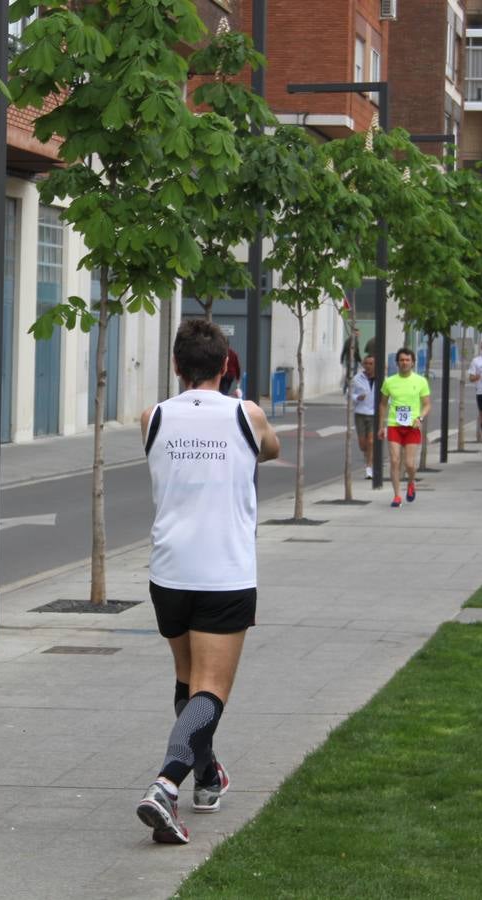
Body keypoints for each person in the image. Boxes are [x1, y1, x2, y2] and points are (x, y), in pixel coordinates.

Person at [136, 319, 280, 845]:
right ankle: (166, 785)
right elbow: (272, 449)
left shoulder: (153, 416)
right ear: (225, 365)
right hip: (224, 572)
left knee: (188, 679)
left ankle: (207, 776)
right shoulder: (248, 414)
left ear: (176, 366)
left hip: (169, 572)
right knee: (212, 687)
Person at [378, 347, 431, 508]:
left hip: (412, 426)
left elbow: (427, 404)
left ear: (413, 363)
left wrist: (420, 418)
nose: (404, 363)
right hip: (395, 424)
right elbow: (382, 404)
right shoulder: (389, 381)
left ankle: (411, 482)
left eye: (407, 360)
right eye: (401, 360)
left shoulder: (420, 381)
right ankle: (396, 496)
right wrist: (381, 426)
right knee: (394, 460)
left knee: (409, 464)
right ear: (397, 363)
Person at [350, 355, 378, 479]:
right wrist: (357, 398)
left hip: (374, 414)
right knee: (363, 444)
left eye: (371, 363)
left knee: (371, 441)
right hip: (360, 413)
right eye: (366, 363)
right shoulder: (357, 379)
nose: (368, 366)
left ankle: (369, 467)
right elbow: (349, 394)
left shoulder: (382, 378)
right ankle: (368, 457)